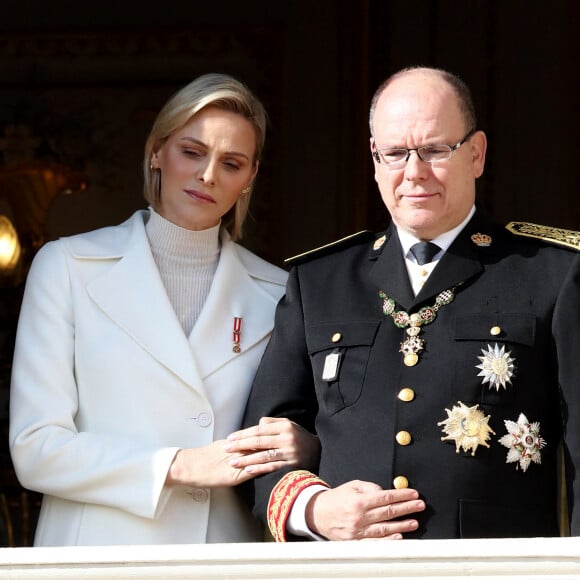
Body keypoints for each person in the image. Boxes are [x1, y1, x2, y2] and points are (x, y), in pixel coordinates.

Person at [238, 66, 580, 541]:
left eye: (436, 150)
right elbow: (261, 446)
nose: (414, 172)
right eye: (396, 153)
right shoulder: (318, 282)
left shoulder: (551, 274)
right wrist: (313, 511)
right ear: (375, 159)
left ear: (476, 154)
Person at [9, 73, 319, 546]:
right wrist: (180, 465)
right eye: (192, 152)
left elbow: (311, 431)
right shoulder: (67, 267)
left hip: (226, 556)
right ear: (157, 151)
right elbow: (36, 450)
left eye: (231, 163)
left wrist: (306, 447)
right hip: (97, 556)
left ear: (250, 178)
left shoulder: (280, 292)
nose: (208, 175)